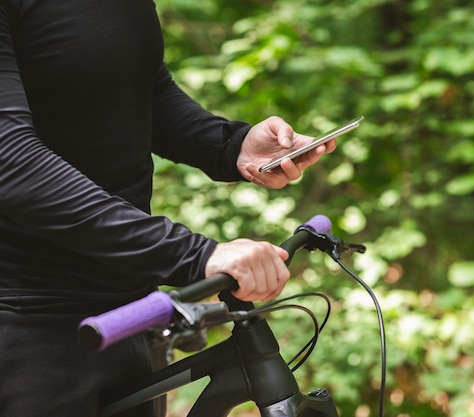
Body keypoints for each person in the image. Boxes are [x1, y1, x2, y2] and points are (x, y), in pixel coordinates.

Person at [0, 1, 336, 416]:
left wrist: (230, 146)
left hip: (130, 312)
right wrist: (193, 254)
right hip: (26, 328)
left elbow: (139, 86)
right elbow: (8, 158)